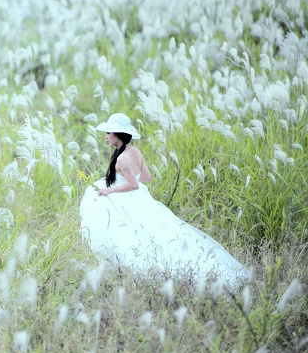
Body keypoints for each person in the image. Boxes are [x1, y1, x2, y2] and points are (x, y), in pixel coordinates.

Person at [79, 113, 249, 286]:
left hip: (129, 197)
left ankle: (141, 273)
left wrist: (113, 188)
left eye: (108, 133)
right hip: (139, 199)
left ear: (117, 134)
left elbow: (135, 184)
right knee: (153, 234)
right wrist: (123, 179)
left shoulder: (122, 158)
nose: (106, 137)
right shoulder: (135, 152)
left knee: (134, 236)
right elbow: (145, 176)